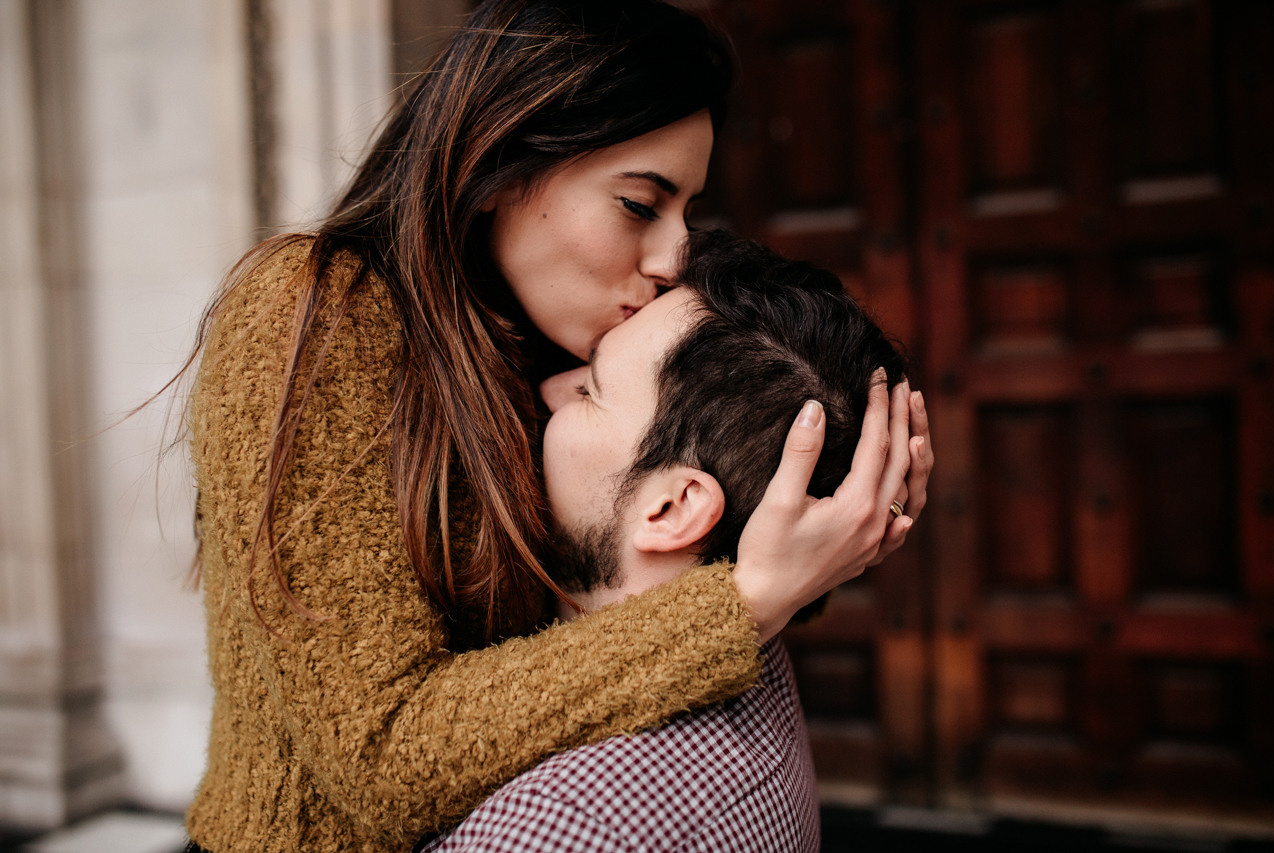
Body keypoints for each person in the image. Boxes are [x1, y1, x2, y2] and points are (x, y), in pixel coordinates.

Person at [182, 1, 933, 851]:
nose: (673, 255)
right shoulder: (310, 316)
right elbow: (380, 760)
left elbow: (629, 574)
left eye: (685, 210)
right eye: (639, 204)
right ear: (503, 162)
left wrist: (837, 512)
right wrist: (740, 604)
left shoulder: (542, 332)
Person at [416, 229, 908, 852]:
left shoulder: (563, 824)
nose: (547, 391)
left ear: (673, 508)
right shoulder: (760, 659)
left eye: (590, 391)